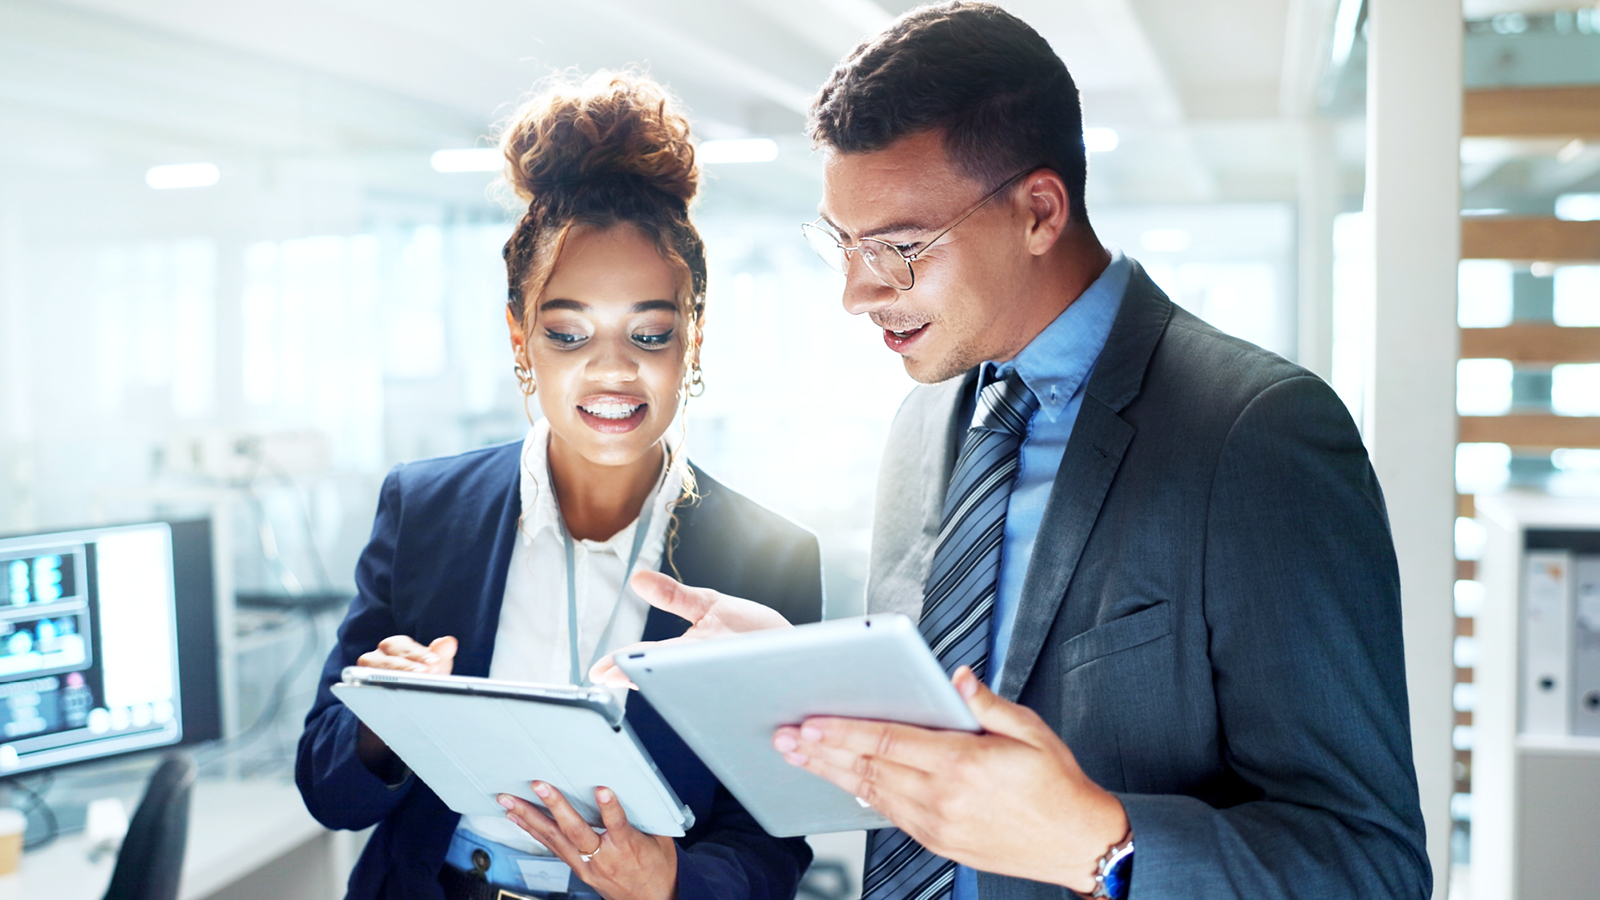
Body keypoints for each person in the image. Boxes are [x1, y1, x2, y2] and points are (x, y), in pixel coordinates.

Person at [599, 4, 1431, 899]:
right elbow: (953, 747)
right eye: (842, 244)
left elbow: (1370, 867)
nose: (855, 294)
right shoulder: (923, 425)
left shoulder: (1256, 434)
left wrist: (1103, 846)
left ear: (1039, 212)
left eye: (900, 248)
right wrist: (798, 678)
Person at [296, 71, 821, 900]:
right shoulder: (425, 509)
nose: (612, 371)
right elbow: (326, 789)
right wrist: (383, 724)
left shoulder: (768, 558)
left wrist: (673, 881)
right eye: (569, 334)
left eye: (650, 333)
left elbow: (774, 843)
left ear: (694, 336)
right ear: (520, 337)